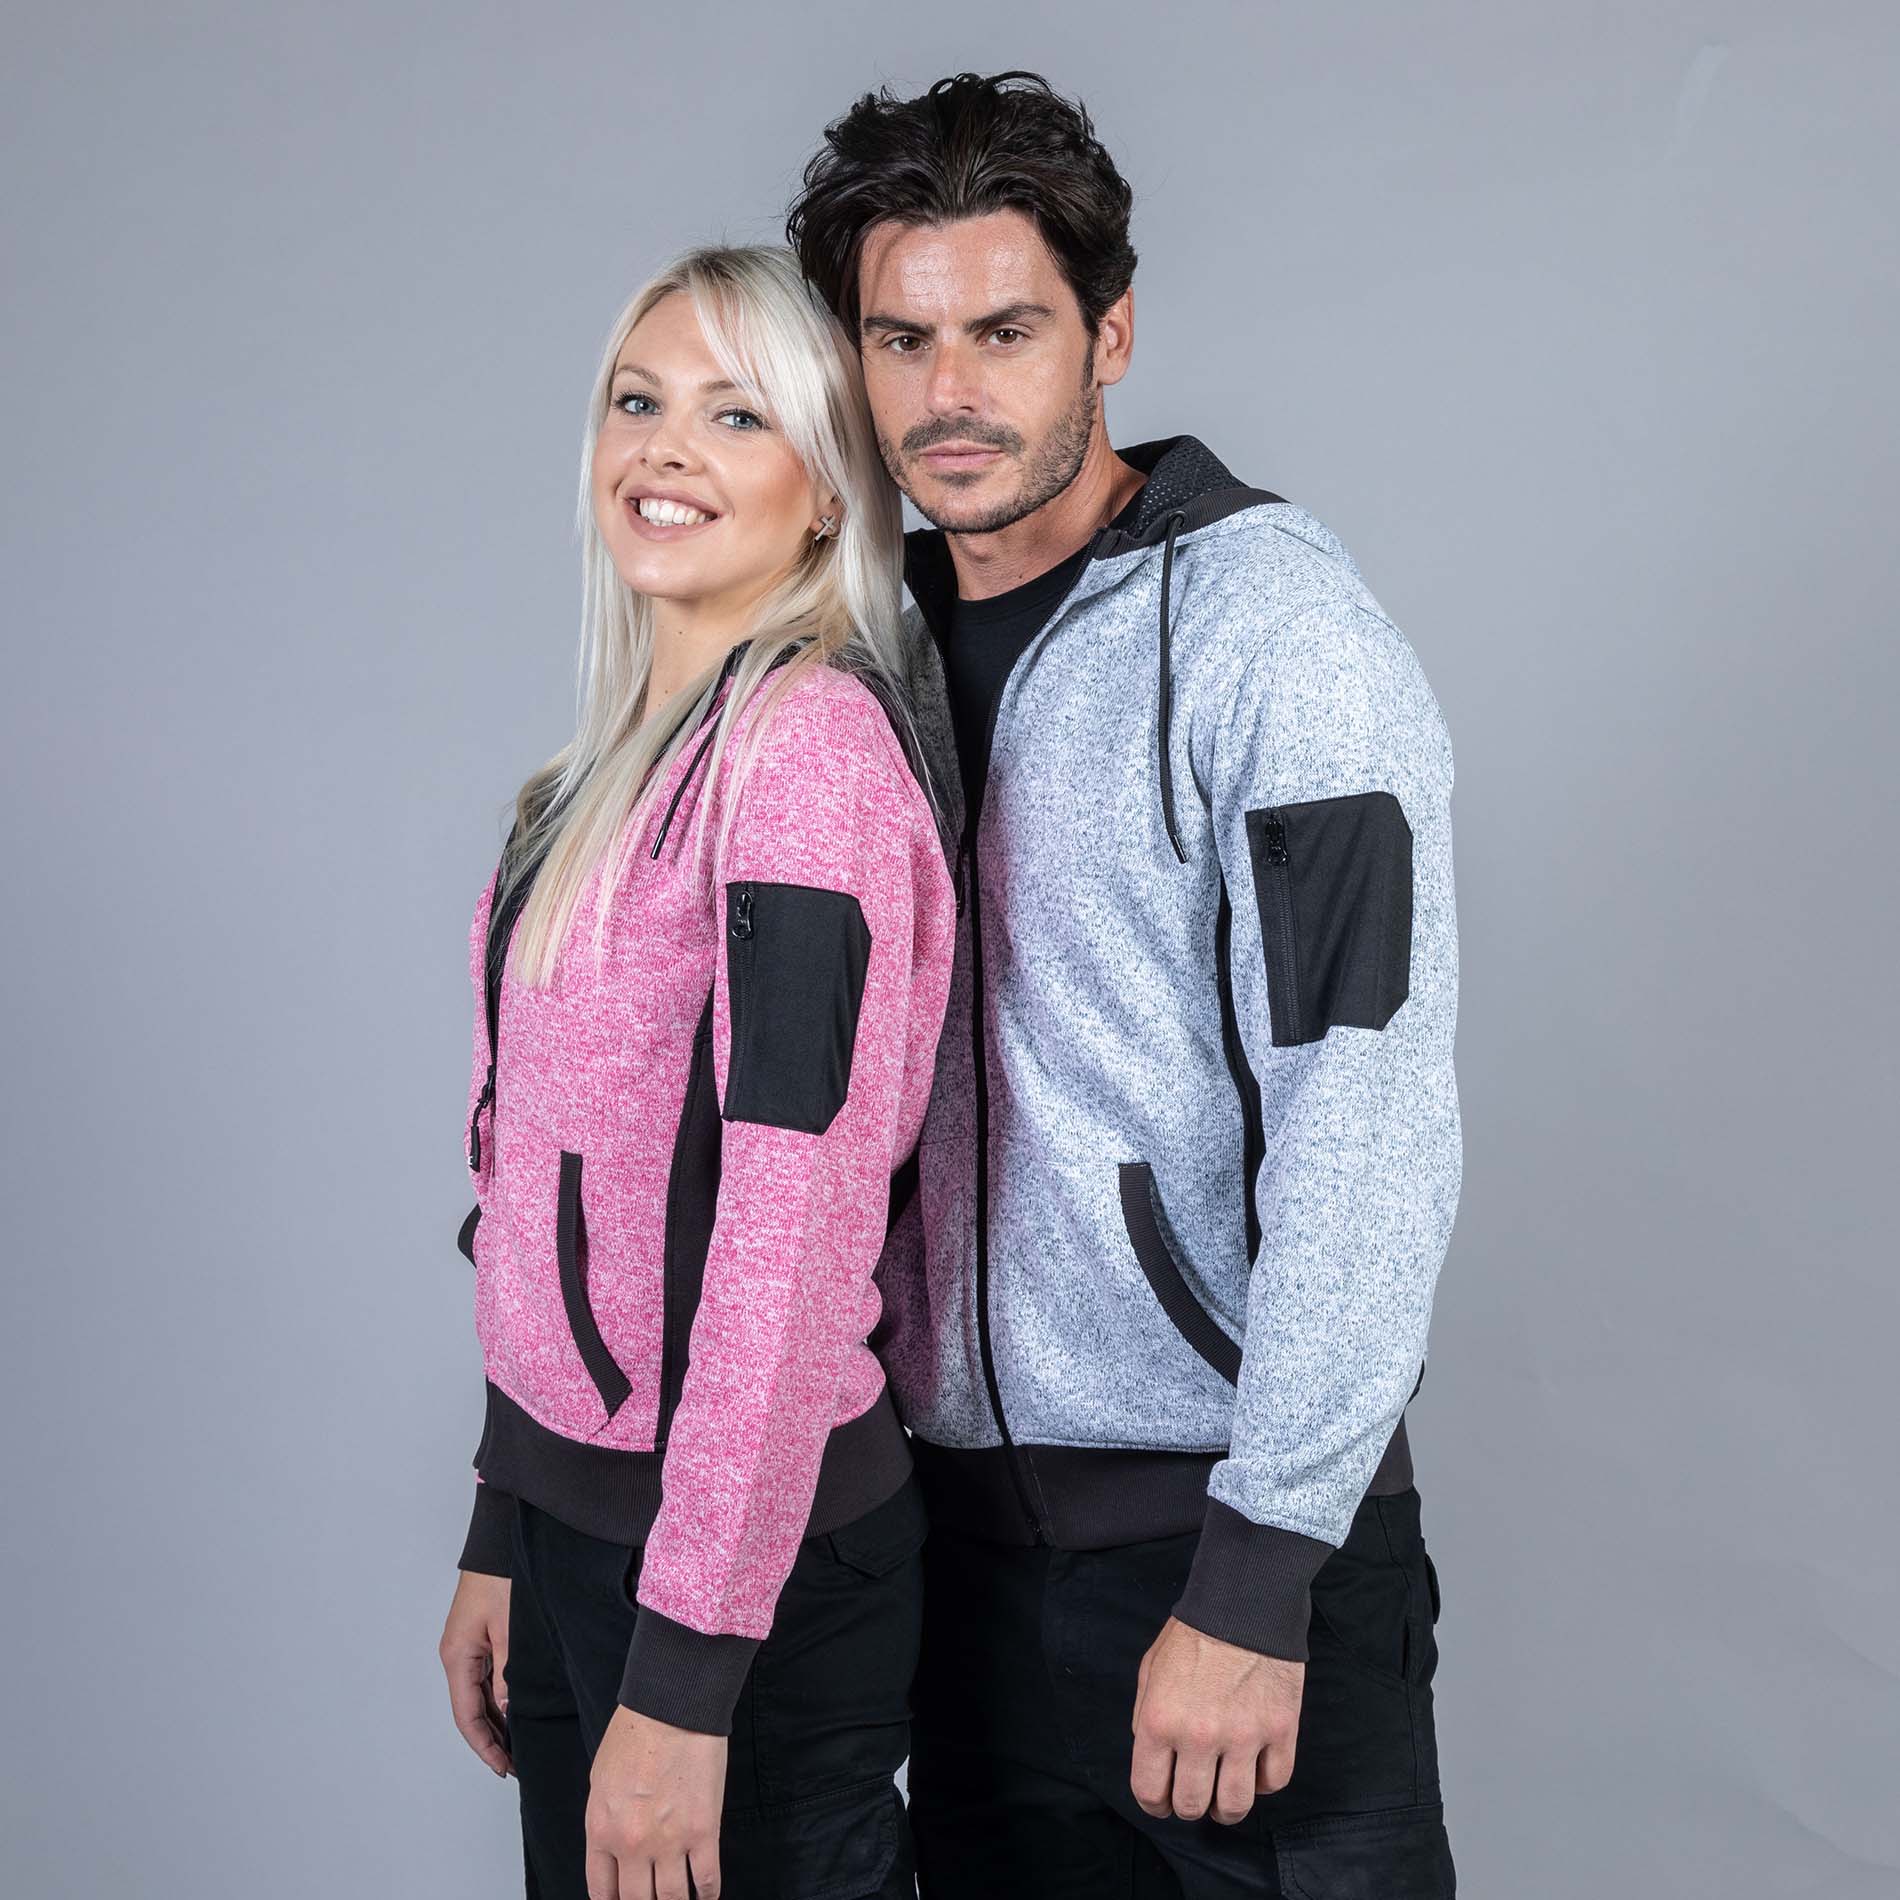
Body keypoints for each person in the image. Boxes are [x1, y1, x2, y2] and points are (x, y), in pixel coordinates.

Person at [787, 71, 1464, 1896]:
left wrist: (1260, 1569)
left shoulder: (1281, 639)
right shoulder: (850, 661)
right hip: (950, 1568)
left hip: (1233, 1547)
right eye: (902, 338)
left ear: (1110, 333)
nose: (949, 392)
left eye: (1005, 331)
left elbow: (1370, 1115)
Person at [435, 244, 957, 1900]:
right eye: (638, 400)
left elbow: (789, 1241)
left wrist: (684, 1676)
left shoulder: (804, 765)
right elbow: (534, 1173)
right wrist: (507, 1515)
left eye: (736, 415)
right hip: (588, 1533)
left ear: (827, 491)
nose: (664, 448)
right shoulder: (594, 775)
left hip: (748, 1576)